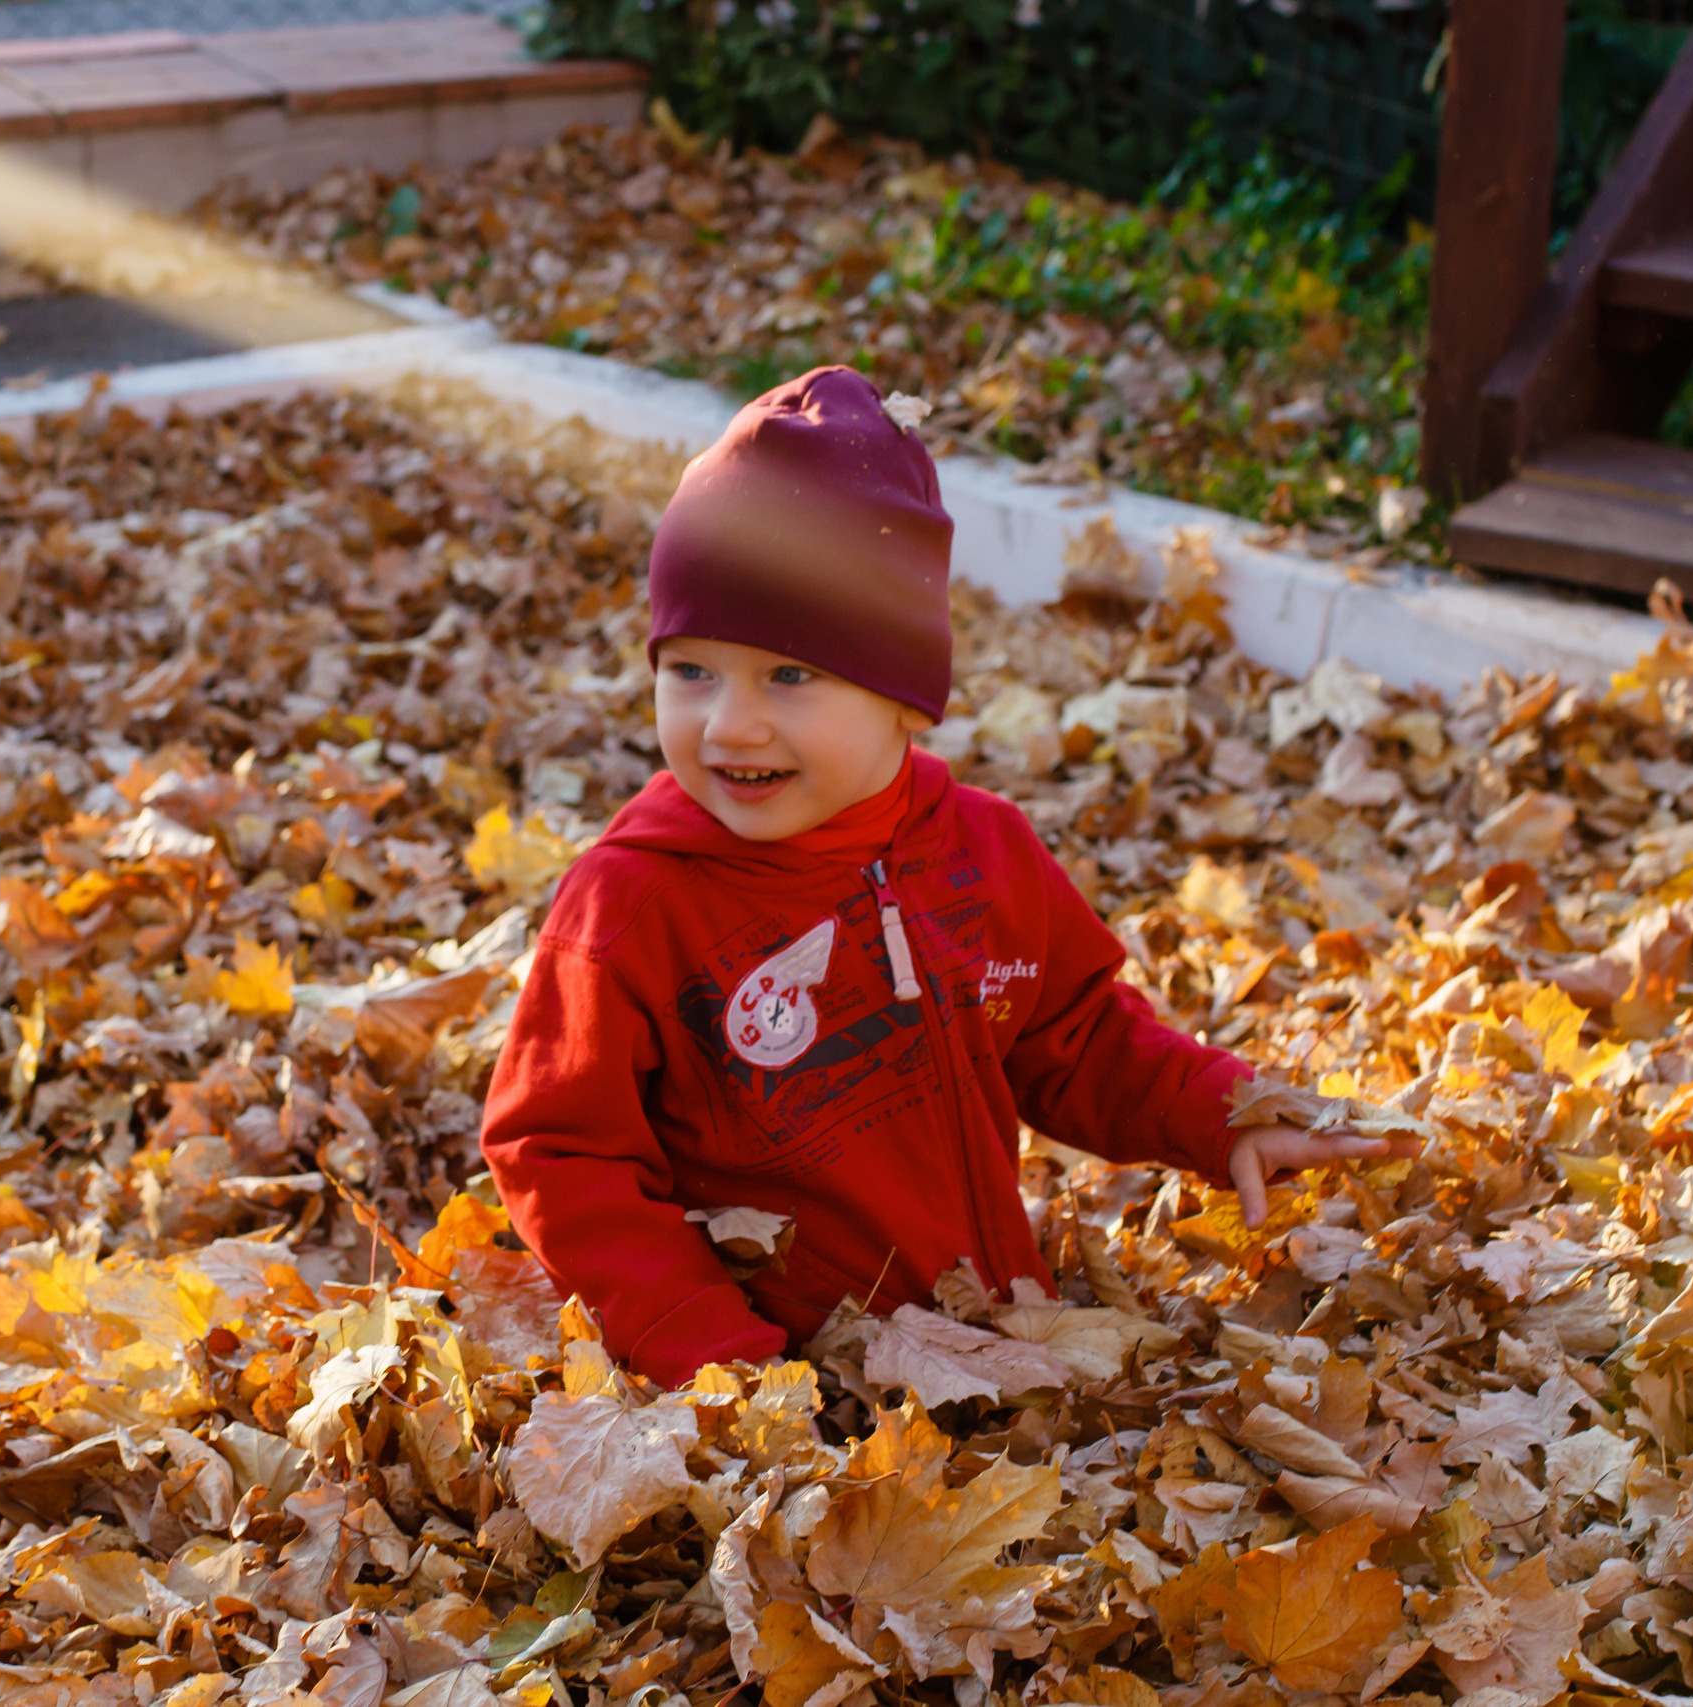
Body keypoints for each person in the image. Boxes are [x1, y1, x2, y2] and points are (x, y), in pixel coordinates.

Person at [478, 366, 1398, 1386]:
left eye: (789, 675)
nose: (728, 723)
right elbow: (562, 1151)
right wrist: (713, 1360)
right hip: (792, 1386)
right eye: (691, 669)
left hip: (990, 1351)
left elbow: (1078, 1038)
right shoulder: (633, 903)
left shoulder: (981, 850)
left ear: (905, 699)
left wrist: (1218, 1112)